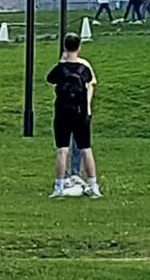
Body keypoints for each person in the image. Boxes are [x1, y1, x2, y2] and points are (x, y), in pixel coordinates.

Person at [46, 33, 101, 198]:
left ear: (64, 47)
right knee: (86, 149)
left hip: (63, 112)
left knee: (62, 150)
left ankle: (59, 185)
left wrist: (62, 61)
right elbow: (90, 82)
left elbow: (51, 79)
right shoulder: (84, 69)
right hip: (81, 113)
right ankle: (93, 184)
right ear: (79, 47)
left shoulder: (60, 69)